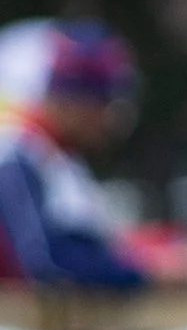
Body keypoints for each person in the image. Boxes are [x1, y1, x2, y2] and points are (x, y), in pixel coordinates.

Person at [0, 21, 152, 289]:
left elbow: (93, 246)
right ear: (73, 101)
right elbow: (46, 264)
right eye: (105, 105)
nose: (111, 121)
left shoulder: (58, 155)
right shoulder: (16, 149)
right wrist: (146, 275)